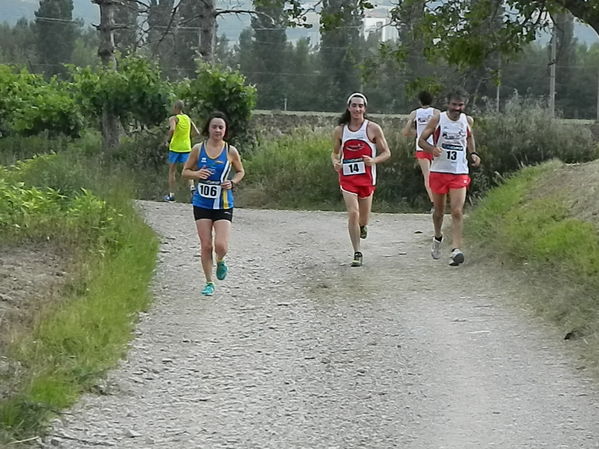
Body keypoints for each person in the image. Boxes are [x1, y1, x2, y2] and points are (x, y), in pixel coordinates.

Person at [182, 111, 245, 296]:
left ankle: (221, 260)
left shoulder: (230, 151)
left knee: (221, 246)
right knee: (206, 245)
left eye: (221, 127)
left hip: (224, 203)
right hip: (202, 203)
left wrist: (232, 182)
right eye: (214, 127)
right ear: (208, 129)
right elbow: (185, 171)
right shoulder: (197, 149)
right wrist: (196, 174)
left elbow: (241, 171)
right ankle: (209, 282)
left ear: (225, 130)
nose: (217, 130)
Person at [418, 89, 481, 266]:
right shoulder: (438, 119)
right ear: (448, 104)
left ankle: (456, 249)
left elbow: (469, 137)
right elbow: (421, 141)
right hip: (439, 171)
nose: (457, 108)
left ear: (464, 105)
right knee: (439, 212)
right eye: (454, 105)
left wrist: (473, 153)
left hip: (459, 171)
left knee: (457, 211)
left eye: (460, 105)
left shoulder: (467, 120)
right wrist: (431, 149)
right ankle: (438, 236)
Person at [331, 92, 391, 267]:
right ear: (348, 108)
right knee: (353, 213)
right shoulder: (340, 130)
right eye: (354, 105)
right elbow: (335, 153)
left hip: (366, 178)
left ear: (365, 108)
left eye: (360, 106)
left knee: (363, 219)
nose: (357, 109)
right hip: (347, 178)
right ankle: (357, 252)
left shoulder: (373, 128)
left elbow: (387, 153)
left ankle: (362, 227)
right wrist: (335, 162)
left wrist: (373, 161)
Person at [401, 91, 440, 207]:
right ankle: (441, 201)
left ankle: (434, 203)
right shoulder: (436, 112)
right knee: (438, 174)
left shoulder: (415, 113)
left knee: (427, 176)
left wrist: (417, 132)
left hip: (421, 147)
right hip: (434, 147)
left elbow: (405, 132)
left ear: (419, 101)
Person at [163, 100, 200, 202]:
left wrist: (168, 140)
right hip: (186, 147)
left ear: (175, 108)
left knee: (172, 171)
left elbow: (172, 129)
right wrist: (187, 137)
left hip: (175, 147)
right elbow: (197, 132)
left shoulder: (173, 118)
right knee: (188, 170)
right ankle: (192, 190)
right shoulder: (187, 118)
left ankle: (172, 195)